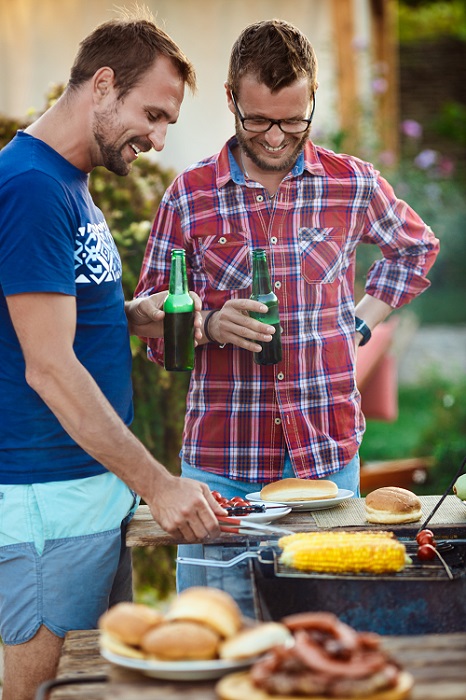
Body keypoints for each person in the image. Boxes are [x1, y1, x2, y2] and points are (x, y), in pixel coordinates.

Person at [135, 18, 440, 616]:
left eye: (292, 122)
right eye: (258, 120)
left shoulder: (350, 183)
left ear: (312, 103)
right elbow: (150, 321)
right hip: (221, 471)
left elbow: (416, 247)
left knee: (320, 632)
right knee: (214, 636)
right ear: (230, 99)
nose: (275, 138)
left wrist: (359, 321)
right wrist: (206, 323)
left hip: (326, 462)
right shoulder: (189, 196)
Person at [0, 10, 227, 700]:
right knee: (39, 690)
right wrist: (160, 485)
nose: (158, 140)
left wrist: (125, 317)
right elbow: (48, 366)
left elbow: (39, 323)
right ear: (102, 85)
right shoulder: (33, 187)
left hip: (85, 493)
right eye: (153, 116)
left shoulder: (69, 178)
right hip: (48, 497)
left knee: (86, 687)